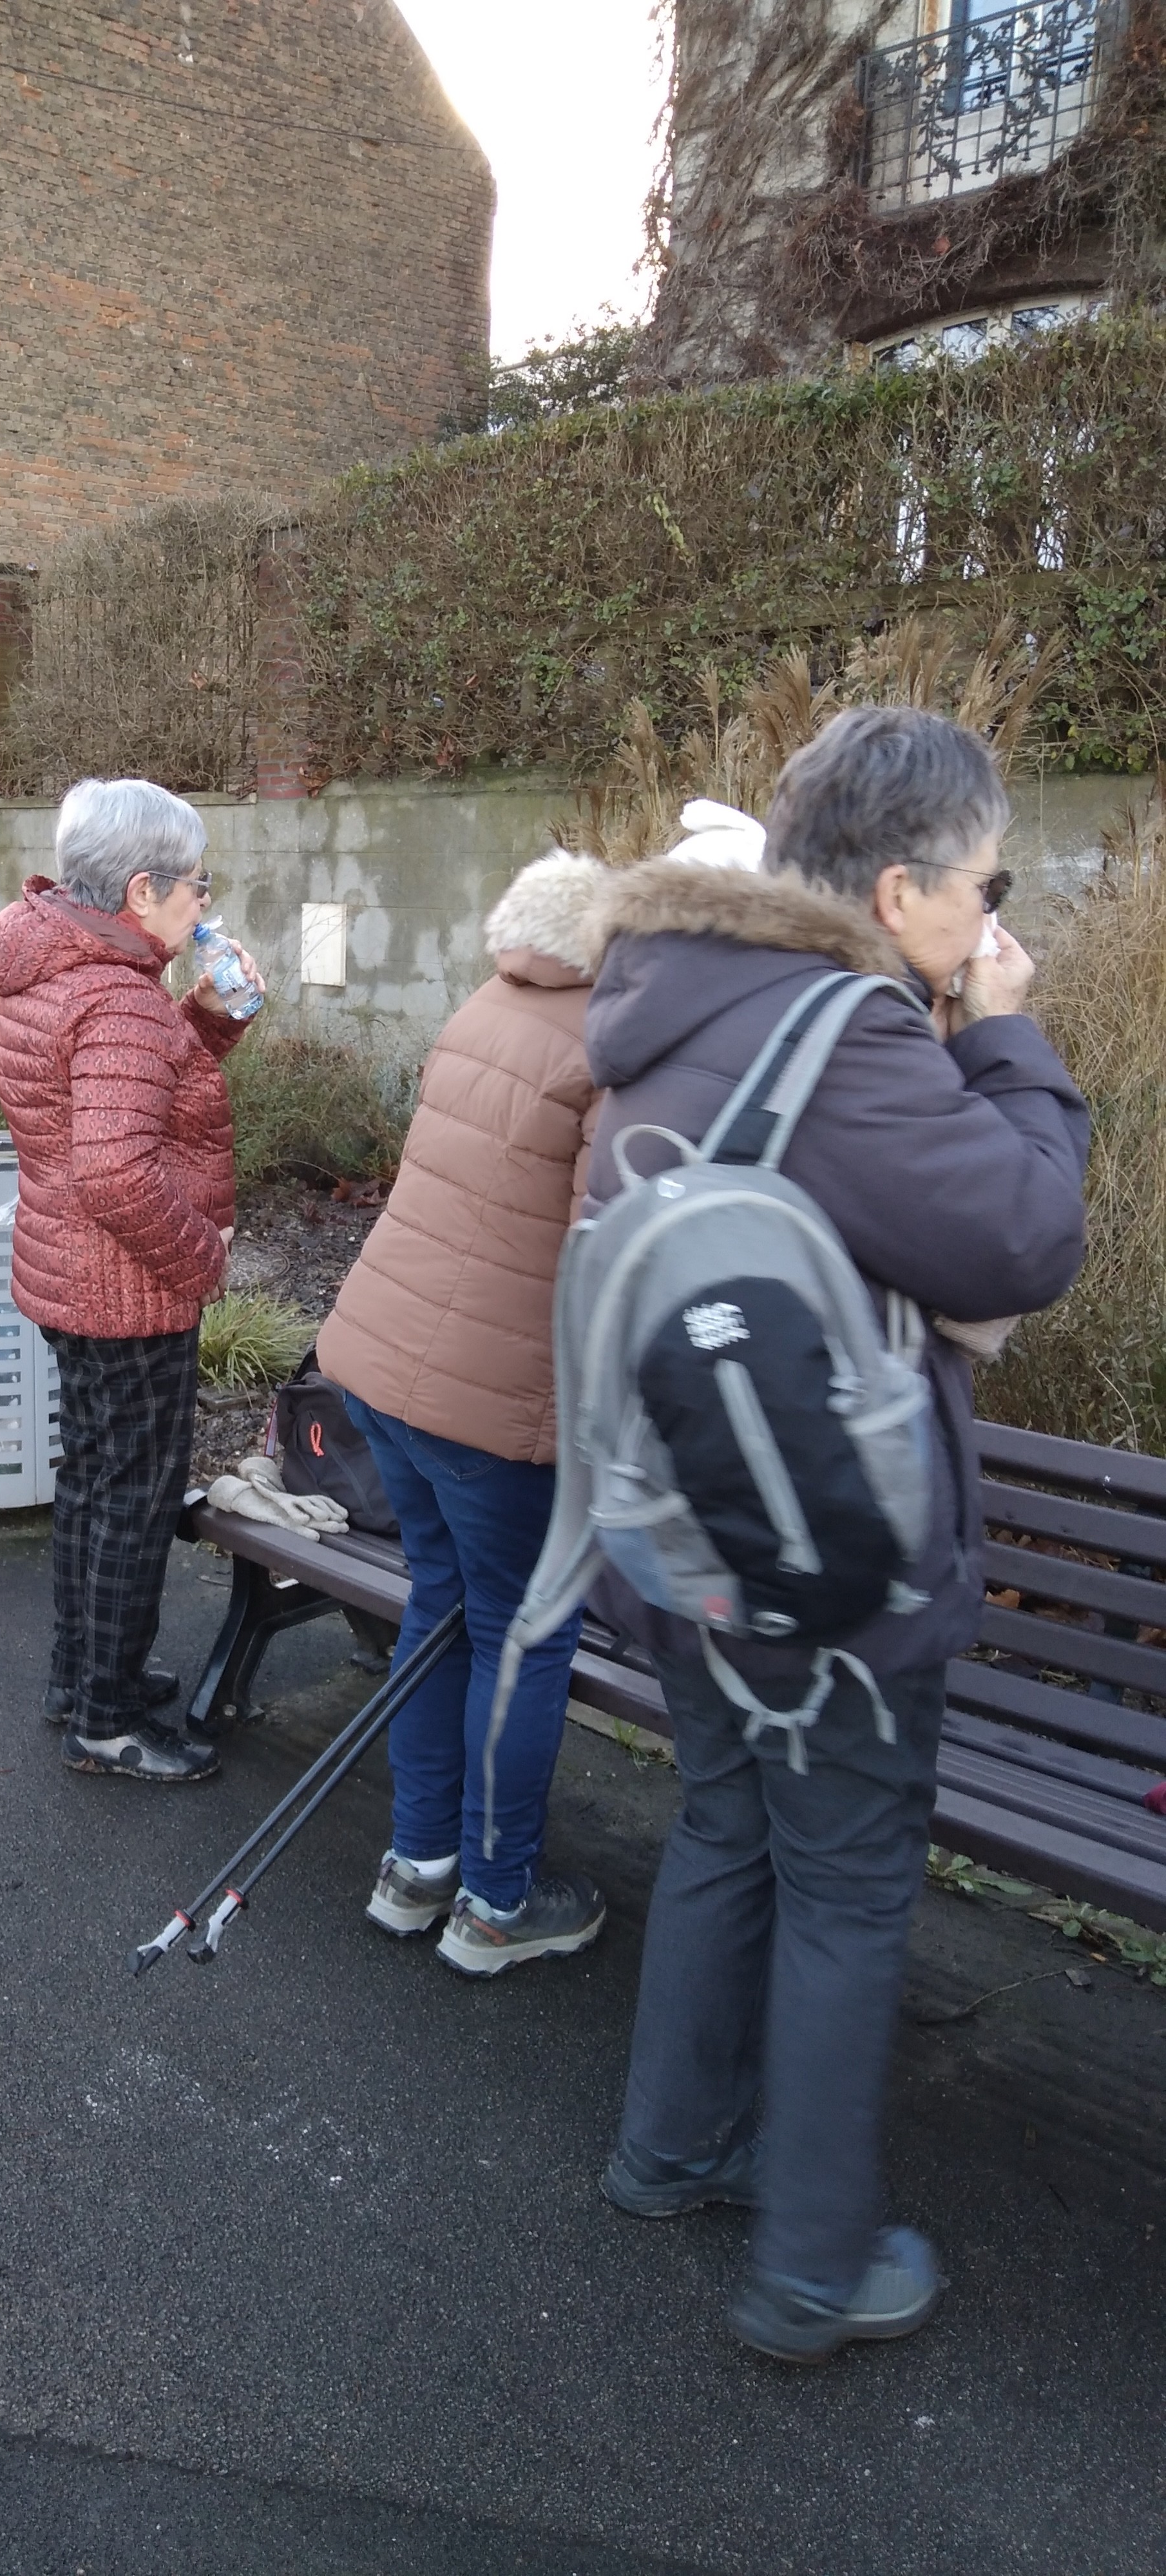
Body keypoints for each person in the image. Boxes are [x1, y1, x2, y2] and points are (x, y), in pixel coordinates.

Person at [583, 707, 1088, 2363]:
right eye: (985, 885)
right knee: (854, 1886)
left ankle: (671, 2151)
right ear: (895, 887)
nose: (992, 919)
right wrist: (1005, 1039)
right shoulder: (846, 1029)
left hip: (692, 1529)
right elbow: (1021, 1237)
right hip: (831, 1550)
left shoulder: (669, 999)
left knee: (729, 1825)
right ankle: (813, 2262)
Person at [318, 851, 613, 1975]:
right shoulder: (609, 1048)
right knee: (521, 1634)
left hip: (388, 1365)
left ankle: (416, 1866)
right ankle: (497, 1902)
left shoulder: (488, 1002)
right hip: (489, 1404)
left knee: (441, 1605)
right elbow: (599, 1257)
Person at [0, 778, 262, 1782]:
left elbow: (128, 1086)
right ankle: (105, 1721)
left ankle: (85, 1673)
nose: (205, 905)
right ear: (141, 892)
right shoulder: (113, 995)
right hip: (129, 1292)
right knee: (133, 1499)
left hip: (72, 1278)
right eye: (195, 887)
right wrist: (205, 1257)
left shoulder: (59, 962)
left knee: (94, 1480)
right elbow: (114, 1168)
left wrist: (209, 1019)